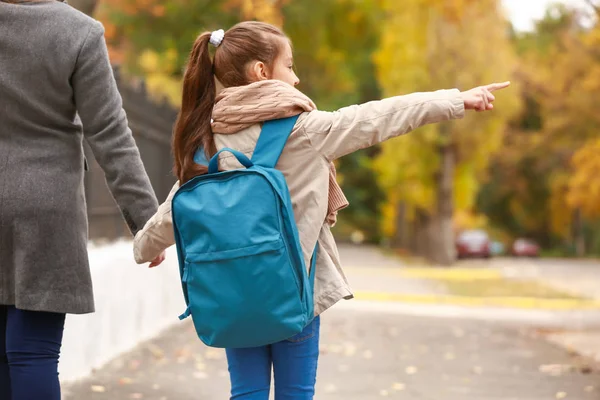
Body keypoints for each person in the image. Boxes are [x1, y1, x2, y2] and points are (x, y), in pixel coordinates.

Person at [133, 21, 509, 399]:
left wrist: (146, 247)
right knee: (296, 393)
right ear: (261, 72)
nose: (296, 79)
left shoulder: (207, 139)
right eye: (290, 66)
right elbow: (377, 117)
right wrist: (457, 100)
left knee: (246, 392)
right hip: (297, 293)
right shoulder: (305, 131)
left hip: (235, 294)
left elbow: (176, 206)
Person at [0, 1, 165, 399]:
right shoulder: (78, 31)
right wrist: (147, 220)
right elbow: (110, 134)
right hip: (47, 206)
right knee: (33, 354)